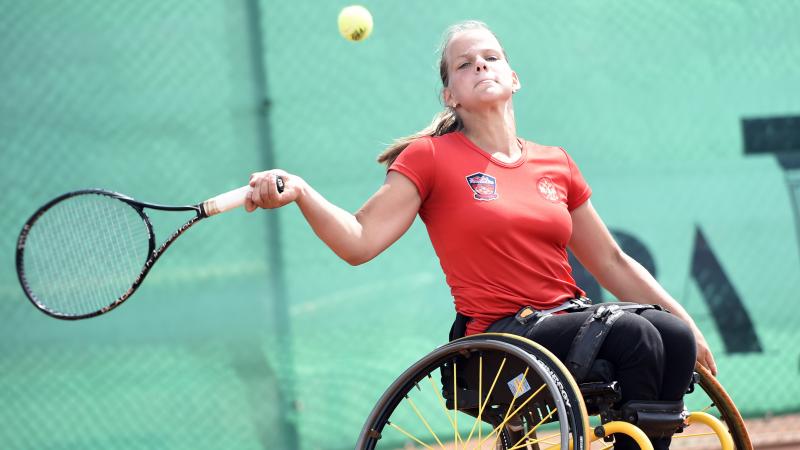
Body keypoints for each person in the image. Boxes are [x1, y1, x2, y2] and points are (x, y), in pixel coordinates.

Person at [244, 20, 717, 450]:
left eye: (490, 57)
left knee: (671, 334)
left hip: (568, 322)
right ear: (450, 94)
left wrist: (688, 323)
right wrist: (302, 192)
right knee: (635, 332)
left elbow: (611, 261)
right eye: (464, 65)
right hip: (504, 342)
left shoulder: (556, 162)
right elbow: (358, 239)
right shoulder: (429, 158)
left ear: (514, 78)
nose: (480, 66)